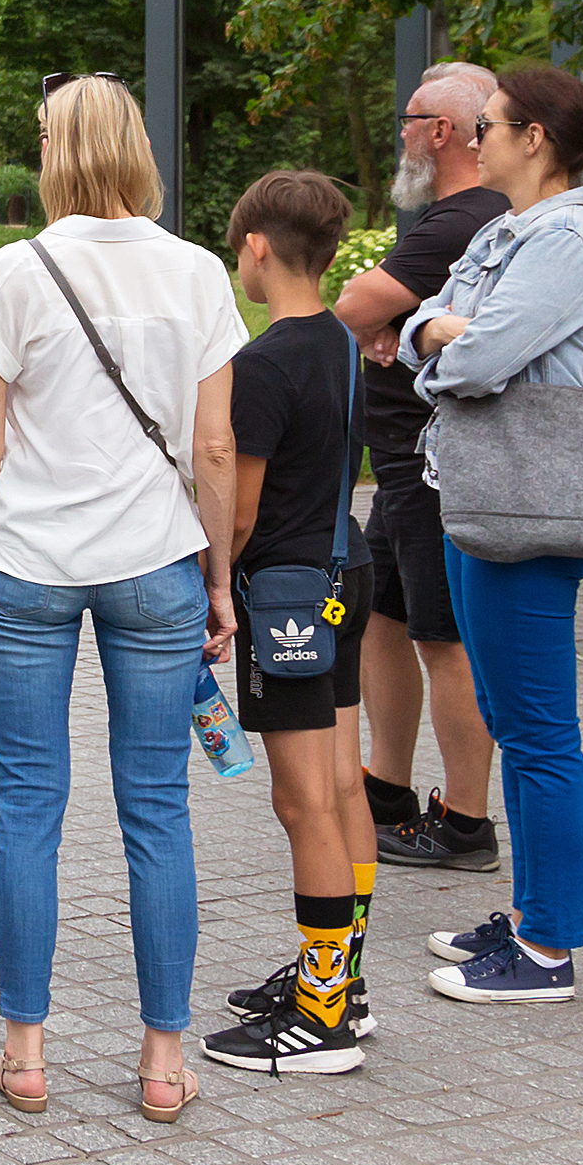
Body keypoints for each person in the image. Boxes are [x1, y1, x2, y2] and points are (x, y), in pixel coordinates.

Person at [0, 74, 241, 1123]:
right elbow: (213, 444)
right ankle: (162, 1064)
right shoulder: (197, 271)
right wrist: (215, 577)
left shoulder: (14, 269)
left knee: (27, 805)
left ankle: (23, 1053)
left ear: (55, 150)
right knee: (157, 810)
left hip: (29, 563)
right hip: (155, 562)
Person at [402, 66, 583, 1010]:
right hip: (477, 492)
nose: (474, 138)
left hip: (522, 512)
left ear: (534, 137)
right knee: (512, 719)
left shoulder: (566, 239)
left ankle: (544, 949)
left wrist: (448, 339)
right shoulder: (506, 228)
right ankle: (531, 912)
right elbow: (427, 334)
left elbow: (482, 355)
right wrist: (440, 337)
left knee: (537, 734)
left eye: (487, 125)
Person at [201, 168, 382, 1078]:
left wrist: (214, 587)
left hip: (283, 600)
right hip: (343, 572)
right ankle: (341, 980)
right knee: (343, 788)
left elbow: (238, 510)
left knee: (302, 798)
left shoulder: (262, 364)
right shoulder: (342, 343)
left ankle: (318, 1022)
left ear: (258, 248)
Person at [331, 61, 506, 875]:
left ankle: (465, 818)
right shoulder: (460, 218)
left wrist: (385, 319)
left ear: (442, 130)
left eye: (409, 118)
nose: (400, 131)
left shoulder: (460, 216)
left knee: (444, 638)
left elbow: (350, 309)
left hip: (433, 462)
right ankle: (387, 786)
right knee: (386, 620)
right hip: (403, 461)